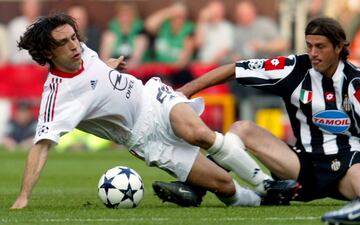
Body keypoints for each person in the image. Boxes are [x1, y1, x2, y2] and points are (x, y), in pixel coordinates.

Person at [10, 13, 295, 209]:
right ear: (48, 53)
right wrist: (24, 196)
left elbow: (94, 70)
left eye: (74, 37)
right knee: (226, 187)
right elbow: (42, 146)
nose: (74, 46)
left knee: (196, 132)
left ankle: (267, 184)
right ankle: (259, 200)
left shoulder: (82, 50)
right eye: (64, 43)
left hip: (152, 99)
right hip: (145, 140)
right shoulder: (58, 96)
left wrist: (109, 66)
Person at [155, 17, 360, 223]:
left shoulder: (355, 82)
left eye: (320, 47)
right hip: (301, 167)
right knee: (242, 129)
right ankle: (195, 187)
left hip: (346, 166)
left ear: (338, 47)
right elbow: (235, 69)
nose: (313, 53)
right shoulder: (294, 68)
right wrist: (182, 92)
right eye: (309, 46)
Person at [99, 2, 148, 69]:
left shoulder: (140, 36)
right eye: (122, 14)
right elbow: (104, 58)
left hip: (133, 70)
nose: (125, 18)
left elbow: (137, 60)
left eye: (128, 14)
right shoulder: (109, 35)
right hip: (111, 68)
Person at [7, 0, 42, 64]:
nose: (31, 8)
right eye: (29, 6)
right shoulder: (15, 25)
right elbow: (11, 50)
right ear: (22, 7)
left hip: (40, 66)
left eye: (34, 6)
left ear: (39, 7)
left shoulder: (44, 24)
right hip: (19, 66)